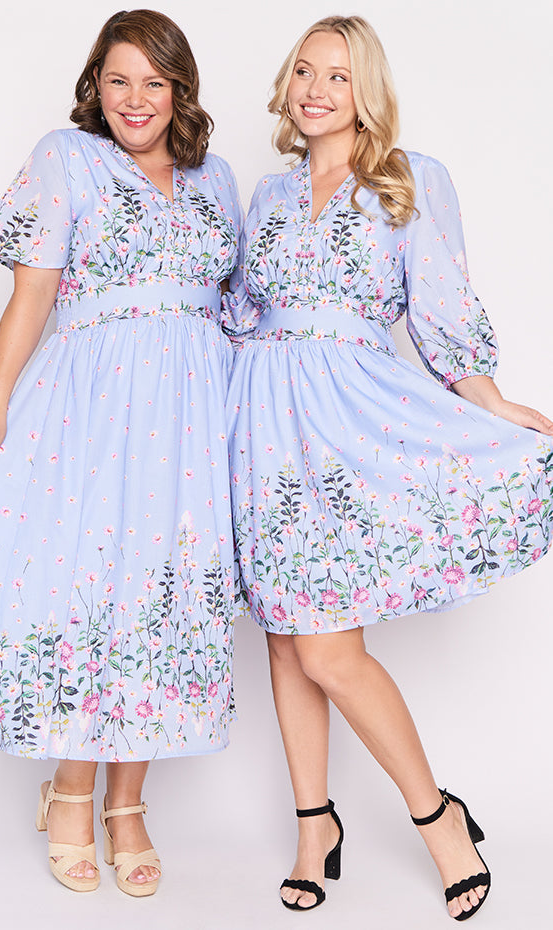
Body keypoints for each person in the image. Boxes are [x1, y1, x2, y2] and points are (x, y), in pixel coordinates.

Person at [223, 14, 553, 920]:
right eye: (304, 71)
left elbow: (440, 302)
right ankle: (314, 828)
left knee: (329, 649)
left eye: (338, 75)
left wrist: (491, 402)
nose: (316, 90)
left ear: (366, 88)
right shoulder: (267, 195)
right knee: (286, 637)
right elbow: (240, 315)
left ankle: (437, 817)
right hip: (265, 426)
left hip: (353, 423)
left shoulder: (408, 179)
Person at [0, 9, 242, 896]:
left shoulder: (216, 177)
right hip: (93, 408)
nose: (135, 99)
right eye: (118, 80)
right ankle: (71, 795)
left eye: (154, 82)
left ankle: (129, 807)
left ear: (180, 90)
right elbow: (33, 293)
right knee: (90, 588)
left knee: (162, 596)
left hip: (193, 417)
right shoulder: (66, 156)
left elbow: (237, 306)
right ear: (96, 86)